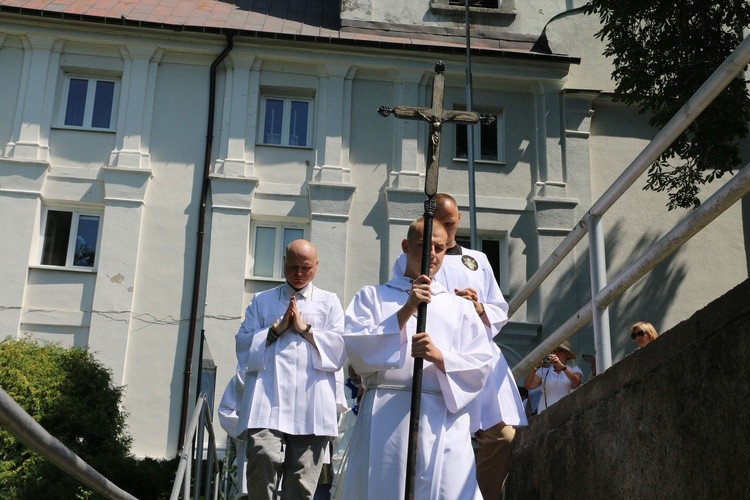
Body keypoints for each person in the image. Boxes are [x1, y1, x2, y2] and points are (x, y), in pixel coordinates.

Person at [342, 218, 493, 499]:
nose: (432, 255)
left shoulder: (459, 307)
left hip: (442, 415)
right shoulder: (372, 297)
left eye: (439, 248)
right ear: (405, 246)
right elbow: (357, 350)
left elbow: (481, 363)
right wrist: (408, 309)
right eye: (425, 247)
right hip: (386, 413)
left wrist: (441, 357)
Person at [391, 193, 527, 499]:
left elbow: (499, 309)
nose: (444, 232)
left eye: (450, 224)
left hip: (475, 358)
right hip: (432, 357)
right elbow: (399, 300)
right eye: (438, 225)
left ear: (458, 220)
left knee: (502, 436)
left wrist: (478, 308)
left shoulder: (477, 260)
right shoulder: (406, 259)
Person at [235, 239, 346, 500]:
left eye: (305, 268)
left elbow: (340, 348)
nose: (298, 273)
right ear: (283, 264)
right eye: (293, 266)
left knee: (303, 477)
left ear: (316, 266)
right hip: (268, 397)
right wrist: (276, 330)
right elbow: (242, 345)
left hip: (312, 400)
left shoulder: (329, 302)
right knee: (263, 457)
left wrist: (305, 330)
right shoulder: (261, 301)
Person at [523, 341, 582, 413]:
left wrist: (563, 367)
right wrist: (535, 368)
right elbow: (529, 385)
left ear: (567, 355)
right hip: (545, 413)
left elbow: (576, 383)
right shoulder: (543, 371)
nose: (556, 354)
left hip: (566, 412)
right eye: (553, 351)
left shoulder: (574, 370)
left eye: (559, 351)